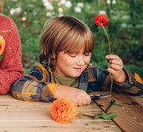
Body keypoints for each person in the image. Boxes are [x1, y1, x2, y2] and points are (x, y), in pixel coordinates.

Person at [11, 16, 143, 106]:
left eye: (86, 54)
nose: (81, 62)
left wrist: (121, 76)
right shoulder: (43, 73)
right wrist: (66, 92)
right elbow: (18, 87)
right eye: (73, 55)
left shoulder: (93, 74)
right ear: (52, 53)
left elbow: (138, 89)